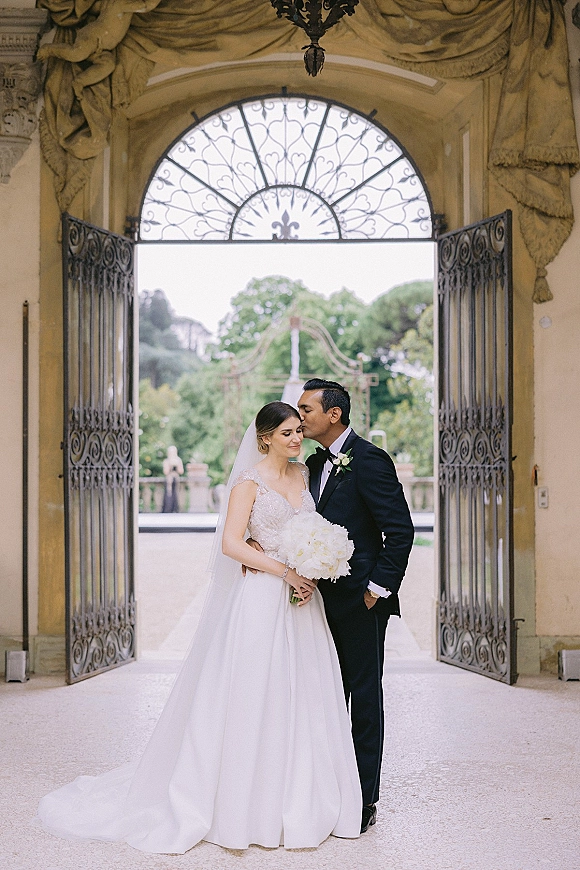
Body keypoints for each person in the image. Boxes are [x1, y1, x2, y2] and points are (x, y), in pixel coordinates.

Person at [37, 402, 362, 853]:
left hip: (302, 604)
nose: (296, 438)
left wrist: (310, 570)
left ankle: (299, 795)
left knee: (301, 693)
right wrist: (284, 571)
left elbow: (308, 530)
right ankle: (238, 805)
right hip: (262, 600)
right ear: (264, 437)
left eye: (298, 432)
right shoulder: (247, 484)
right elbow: (232, 543)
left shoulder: (303, 476)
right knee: (253, 693)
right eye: (287, 432)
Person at [298, 379, 414, 833]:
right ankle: (321, 788)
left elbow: (399, 531)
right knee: (320, 695)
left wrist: (377, 590)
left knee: (363, 699)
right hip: (311, 602)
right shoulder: (308, 464)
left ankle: (364, 799)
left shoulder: (369, 459)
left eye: (307, 409)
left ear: (334, 415)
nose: (299, 415)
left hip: (359, 604)